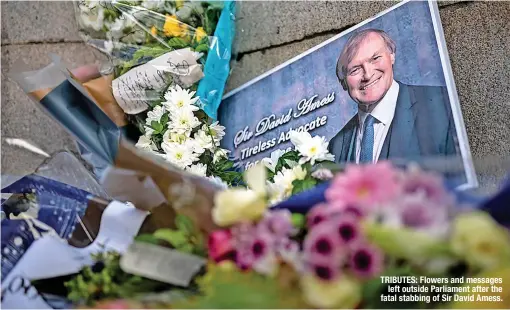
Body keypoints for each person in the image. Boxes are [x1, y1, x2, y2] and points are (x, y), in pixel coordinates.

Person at [328, 28, 459, 165]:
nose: (367, 75)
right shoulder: (336, 147)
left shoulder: (443, 102)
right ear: (343, 83)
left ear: (392, 56)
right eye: (355, 69)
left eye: (375, 58)